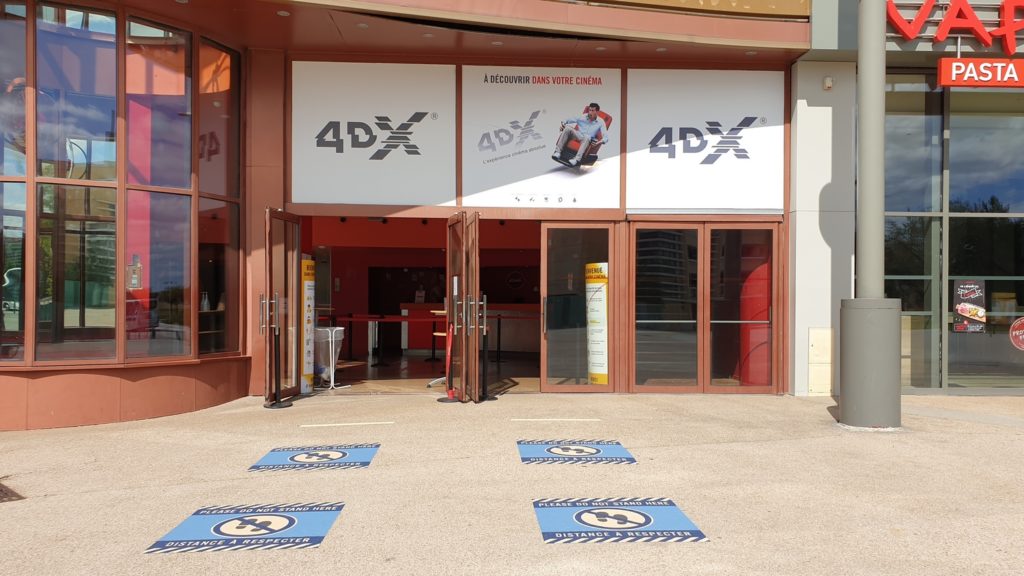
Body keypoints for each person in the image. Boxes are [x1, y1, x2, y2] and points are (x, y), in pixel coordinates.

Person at [552, 102, 607, 167]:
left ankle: (576, 159)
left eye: (592, 110)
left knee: (587, 137)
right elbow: (568, 120)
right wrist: (563, 124)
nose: (590, 112)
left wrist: (598, 142)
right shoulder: (582, 117)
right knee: (567, 128)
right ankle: (557, 152)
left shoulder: (601, 122)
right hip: (578, 135)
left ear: (597, 112)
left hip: (587, 139)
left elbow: (606, 137)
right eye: (589, 110)